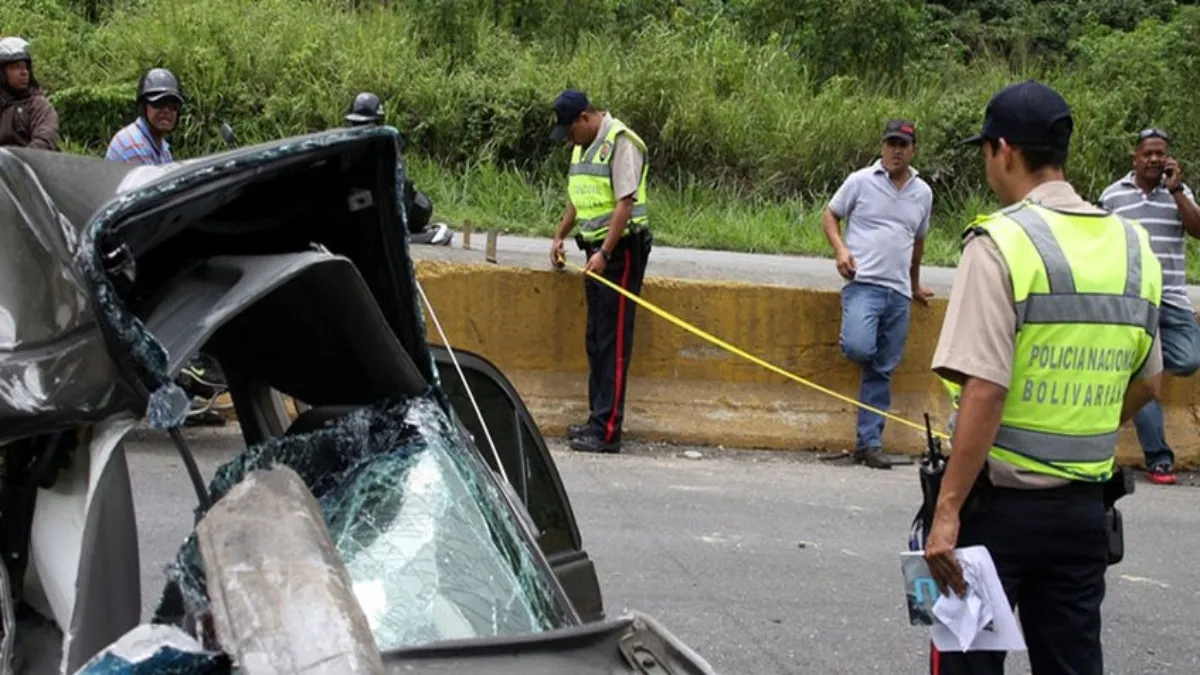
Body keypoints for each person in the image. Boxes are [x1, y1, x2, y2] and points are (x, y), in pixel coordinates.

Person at [924, 79, 1163, 675]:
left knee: (968, 664)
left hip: (995, 511)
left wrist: (946, 510)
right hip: (1083, 512)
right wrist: (1081, 423)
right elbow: (1151, 384)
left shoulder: (999, 240)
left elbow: (984, 387)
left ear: (1003, 150)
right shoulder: (1135, 248)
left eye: (985, 152)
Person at [821, 119, 934, 469]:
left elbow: (917, 243)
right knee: (859, 347)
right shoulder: (860, 181)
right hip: (864, 283)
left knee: (883, 370)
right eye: (890, 144)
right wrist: (840, 250)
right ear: (882, 146)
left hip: (898, 292)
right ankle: (868, 439)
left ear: (913, 149)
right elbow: (830, 215)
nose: (895, 151)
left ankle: (869, 443)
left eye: (902, 145)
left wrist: (914, 285)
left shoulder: (923, 193)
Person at [548, 89, 653, 454]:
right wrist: (560, 235)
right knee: (596, 339)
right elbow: (577, 199)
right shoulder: (583, 145)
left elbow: (626, 202)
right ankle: (597, 419)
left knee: (614, 341)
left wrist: (606, 254)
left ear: (585, 118)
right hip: (595, 251)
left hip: (621, 252)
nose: (568, 140)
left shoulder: (621, 141)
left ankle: (608, 430)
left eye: (570, 131)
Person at [1097, 128, 1200, 486]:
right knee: (1148, 374)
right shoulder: (1113, 196)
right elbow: (1100, 243)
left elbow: (1198, 229)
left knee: (1188, 358)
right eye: (1148, 154)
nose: (1155, 159)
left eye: (1161, 154)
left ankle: (1134, 373)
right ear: (1135, 158)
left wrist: (1175, 191)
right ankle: (1159, 459)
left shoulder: (1179, 194)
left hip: (1171, 298)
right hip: (1134, 300)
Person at [342, 91, 444, 242]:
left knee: (422, 205)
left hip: (385, 204)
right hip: (361, 205)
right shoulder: (345, 147)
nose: (360, 129)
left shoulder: (387, 144)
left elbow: (398, 183)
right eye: (357, 124)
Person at [105, 67, 183, 165]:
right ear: (143, 106)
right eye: (158, 103)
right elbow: (154, 180)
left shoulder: (163, 148)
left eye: (173, 105)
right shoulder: (133, 144)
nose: (166, 110)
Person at [0, 36, 60, 151]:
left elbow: (46, 139)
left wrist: (18, 163)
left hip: (33, 165)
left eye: (25, 67)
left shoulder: (38, 105)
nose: (23, 72)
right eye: (16, 67)